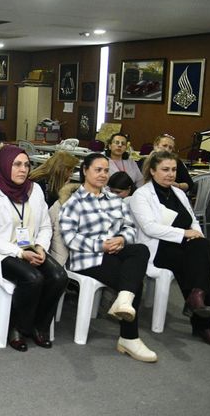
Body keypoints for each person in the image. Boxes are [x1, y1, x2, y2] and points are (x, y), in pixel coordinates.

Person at [59, 153, 156, 362]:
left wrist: (121, 239)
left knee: (140, 250)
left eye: (106, 170)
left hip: (115, 250)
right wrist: (100, 245)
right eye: (98, 170)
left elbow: (130, 227)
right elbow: (70, 238)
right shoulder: (73, 203)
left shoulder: (114, 199)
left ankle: (123, 300)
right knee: (132, 280)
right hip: (87, 258)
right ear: (85, 171)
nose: (103, 175)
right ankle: (129, 338)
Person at [0, 146, 67, 352]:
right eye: (17, 164)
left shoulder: (35, 191)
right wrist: (19, 252)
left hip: (31, 247)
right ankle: (17, 328)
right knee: (33, 278)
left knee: (59, 276)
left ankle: (39, 326)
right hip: (1, 252)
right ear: (4, 165)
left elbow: (44, 226)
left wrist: (42, 247)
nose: (23, 169)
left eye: (26, 165)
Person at [130, 151, 210, 347]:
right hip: (158, 249)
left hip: (183, 244)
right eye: (165, 169)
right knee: (197, 262)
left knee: (201, 245)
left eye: (174, 169)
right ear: (152, 171)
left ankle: (196, 297)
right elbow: (149, 228)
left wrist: (196, 233)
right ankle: (203, 322)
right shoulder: (141, 195)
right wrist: (184, 234)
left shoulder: (179, 193)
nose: (171, 174)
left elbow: (193, 221)